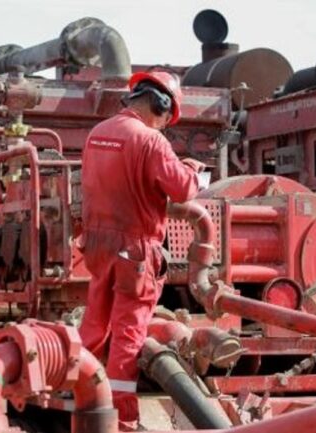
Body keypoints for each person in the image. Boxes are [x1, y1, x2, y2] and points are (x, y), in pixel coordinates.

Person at [77, 71, 205, 431]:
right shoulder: (151, 141)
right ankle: (123, 420)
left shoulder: (97, 134)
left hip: (98, 245)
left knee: (94, 327)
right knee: (128, 338)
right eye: (167, 118)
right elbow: (181, 191)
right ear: (160, 104)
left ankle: (80, 399)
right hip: (135, 252)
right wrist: (192, 171)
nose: (164, 126)